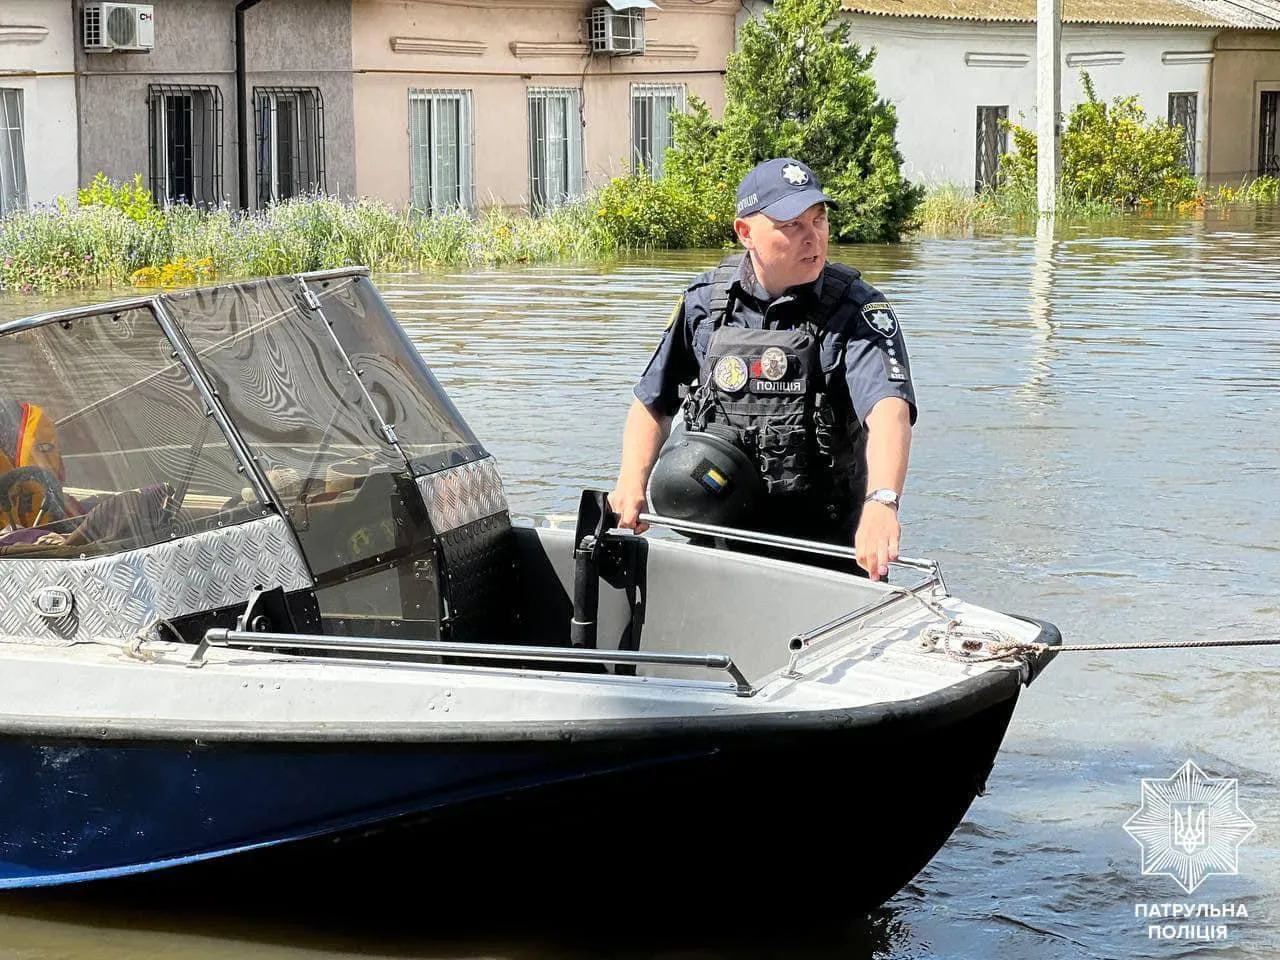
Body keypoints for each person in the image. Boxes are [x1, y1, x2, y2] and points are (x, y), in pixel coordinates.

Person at [606, 157, 916, 581]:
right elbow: (654, 402)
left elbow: (889, 411)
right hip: (719, 546)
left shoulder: (857, 308)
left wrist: (882, 503)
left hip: (826, 551)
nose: (815, 239)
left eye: (819, 220)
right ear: (745, 233)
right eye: (793, 226)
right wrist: (631, 483)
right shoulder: (705, 304)